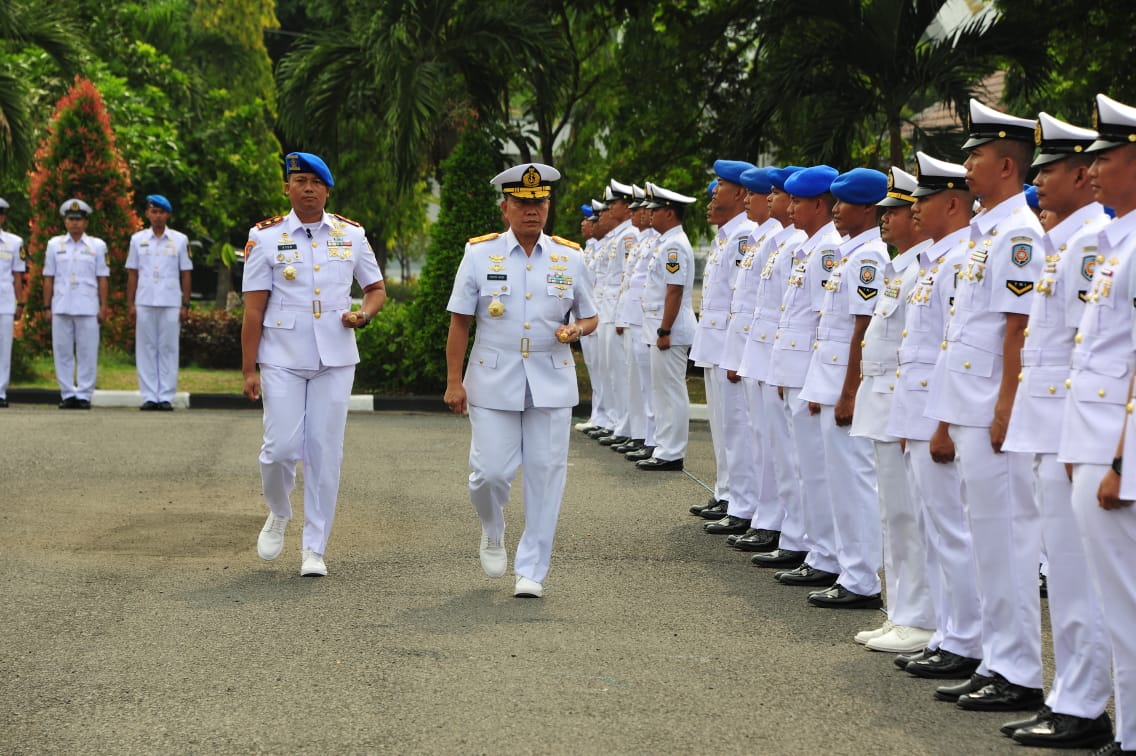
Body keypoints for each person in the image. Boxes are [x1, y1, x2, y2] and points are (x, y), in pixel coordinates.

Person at [998, 112, 1113, 749]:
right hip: (1049, 419)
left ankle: (1084, 703)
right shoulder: (1065, 241)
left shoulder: (1095, 240)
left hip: (1073, 420)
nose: (1039, 182)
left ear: (1078, 175)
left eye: (1051, 170)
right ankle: (1071, 695)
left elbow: (1088, 351)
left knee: (1076, 574)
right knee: (1065, 572)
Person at [925, 99, 1045, 711]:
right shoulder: (985, 233)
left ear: (1005, 164)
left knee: (1007, 542)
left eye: (974, 155)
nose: (966, 164)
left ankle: (1019, 670)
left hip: (991, 408)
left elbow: (1017, 331)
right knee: (986, 539)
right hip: (970, 403)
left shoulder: (1019, 233)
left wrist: (1005, 409)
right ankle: (997, 660)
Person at [444, 162, 598, 599]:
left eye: (540, 203)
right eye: (522, 204)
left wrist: (577, 331)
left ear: (548, 207)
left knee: (547, 476)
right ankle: (493, 527)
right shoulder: (479, 254)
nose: (532, 211)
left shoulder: (570, 257)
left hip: (550, 378)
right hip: (493, 379)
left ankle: (532, 569)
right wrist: (454, 381)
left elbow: (590, 315)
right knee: (489, 474)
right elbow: (459, 323)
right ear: (504, 209)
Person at [241, 151, 386, 577]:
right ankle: (280, 510)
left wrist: (364, 314)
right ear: (287, 187)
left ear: (327, 189)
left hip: (336, 356)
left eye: (315, 182)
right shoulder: (264, 237)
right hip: (282, 354)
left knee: (325, 453)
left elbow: (375, 288)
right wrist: (249, 369)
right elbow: (253, 310)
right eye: (299, 180)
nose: (307, 188)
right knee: (279, 449)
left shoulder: (351, 235)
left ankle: (314, 549)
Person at [890, 152, 983, 685]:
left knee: (951, 530)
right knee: (934, 526)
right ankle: (950, 633)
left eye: (923, 201)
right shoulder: (934, 262)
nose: (915, 210)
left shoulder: (956, 260)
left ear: (952, 203)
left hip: (938, 413)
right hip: (921, 408)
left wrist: (941, 423)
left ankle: (964, 638)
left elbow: (954, 348)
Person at [850, 166, 936, 650]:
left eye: (895, 211)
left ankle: (920, 617)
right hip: (882, 399)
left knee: (909, 515)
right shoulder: (898, 265)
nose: (885, 220)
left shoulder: (924, 268)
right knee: (893, 514)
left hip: (902, 401)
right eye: (882, 211)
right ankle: (900, 609)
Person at [798, 167, 889, 610]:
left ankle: (861, 578)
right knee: (833, 479)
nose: (835, 209)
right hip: (830, 376)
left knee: (853, 481)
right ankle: (840, 563)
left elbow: (863, 327)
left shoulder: (870, 257)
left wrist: (850, 391)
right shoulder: (851, 254)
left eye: (844, 202)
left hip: (844, 382)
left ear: (869, 208)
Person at [1075, 93, 1136, 756]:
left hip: (1118, 448)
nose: (1093, 169)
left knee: (1126, 605)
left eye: (1107, 157)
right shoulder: (1115, 244)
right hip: (1097, 437)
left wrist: (1123, 462)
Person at [766, 165, 844, 589]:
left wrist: (815, 379)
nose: (791, 207)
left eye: (797, 200)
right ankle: (814, 548)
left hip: (809, 371)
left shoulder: (827, 250)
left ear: (819, 204)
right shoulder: (809, 247)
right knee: (802, 465)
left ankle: (824, 553)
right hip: (794, 367)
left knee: (813, 469)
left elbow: (822, 322)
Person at [690, 160, 757, 519]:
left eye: (721, 184)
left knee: (737, 427)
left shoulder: (745, 235)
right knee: (723, 426)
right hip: (716, 343)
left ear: (741, 192)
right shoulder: (727, 235)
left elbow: (741, 300)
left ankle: (739, 501)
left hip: (730, 345)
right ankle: (726, 491)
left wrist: (738, 352)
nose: (715, 191)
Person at [635, 182, 699, 470]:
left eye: (655, 210)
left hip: (670, 329)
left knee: (670, 391)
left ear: (670, 213)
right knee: (661, 392)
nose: (650, 215)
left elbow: (674, 290)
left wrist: (664, 330)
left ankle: (672, 452)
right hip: (661, 327)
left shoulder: (674, 244)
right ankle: (663, 447)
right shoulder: (666, 242)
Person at [126, 194, 193, 411]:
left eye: (161, 212)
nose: (157, 216)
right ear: (147, 213)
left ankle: (165, 395)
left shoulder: (180, 240)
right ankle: (149, 396)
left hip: (170, 300)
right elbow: (133, 274)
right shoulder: (137, 240)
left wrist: (186, 303)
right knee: (146, 348)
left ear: (168, 215)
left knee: (168, 348)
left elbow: (186, 273)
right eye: (153, 212)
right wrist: (130, 303)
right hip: (145, 300)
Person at [42, 199, 109, 410]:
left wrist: (104, 306)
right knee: (62, 351)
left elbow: (103, 278)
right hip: (61, 305)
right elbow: (48, 277)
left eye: (79, 220)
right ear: (65, 222)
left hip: (88, 306)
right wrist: (46, 306)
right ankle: (67, 393)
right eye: (71, 219)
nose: (75, 224)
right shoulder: (54, 245)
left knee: (87, 352)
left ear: (86, 222)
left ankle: (84, 395)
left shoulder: (97, 246)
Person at [0, 197, 26, 408]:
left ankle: (0, 392)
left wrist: (21, 303)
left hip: (5, 302)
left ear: (3, 217)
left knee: (3, 348)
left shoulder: (14, 242)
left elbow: (18, 275)